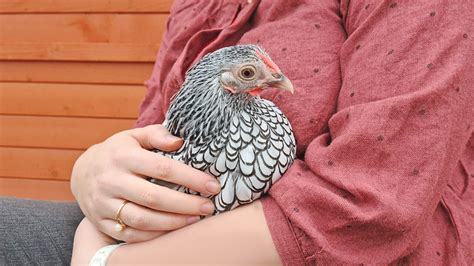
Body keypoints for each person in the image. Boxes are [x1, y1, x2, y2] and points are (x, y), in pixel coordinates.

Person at [1, 0, 472, 265]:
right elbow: (157, 133)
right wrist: (94, 171)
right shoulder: (198, 4)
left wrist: (110, 262)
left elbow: (376, 200)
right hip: (159, 235)